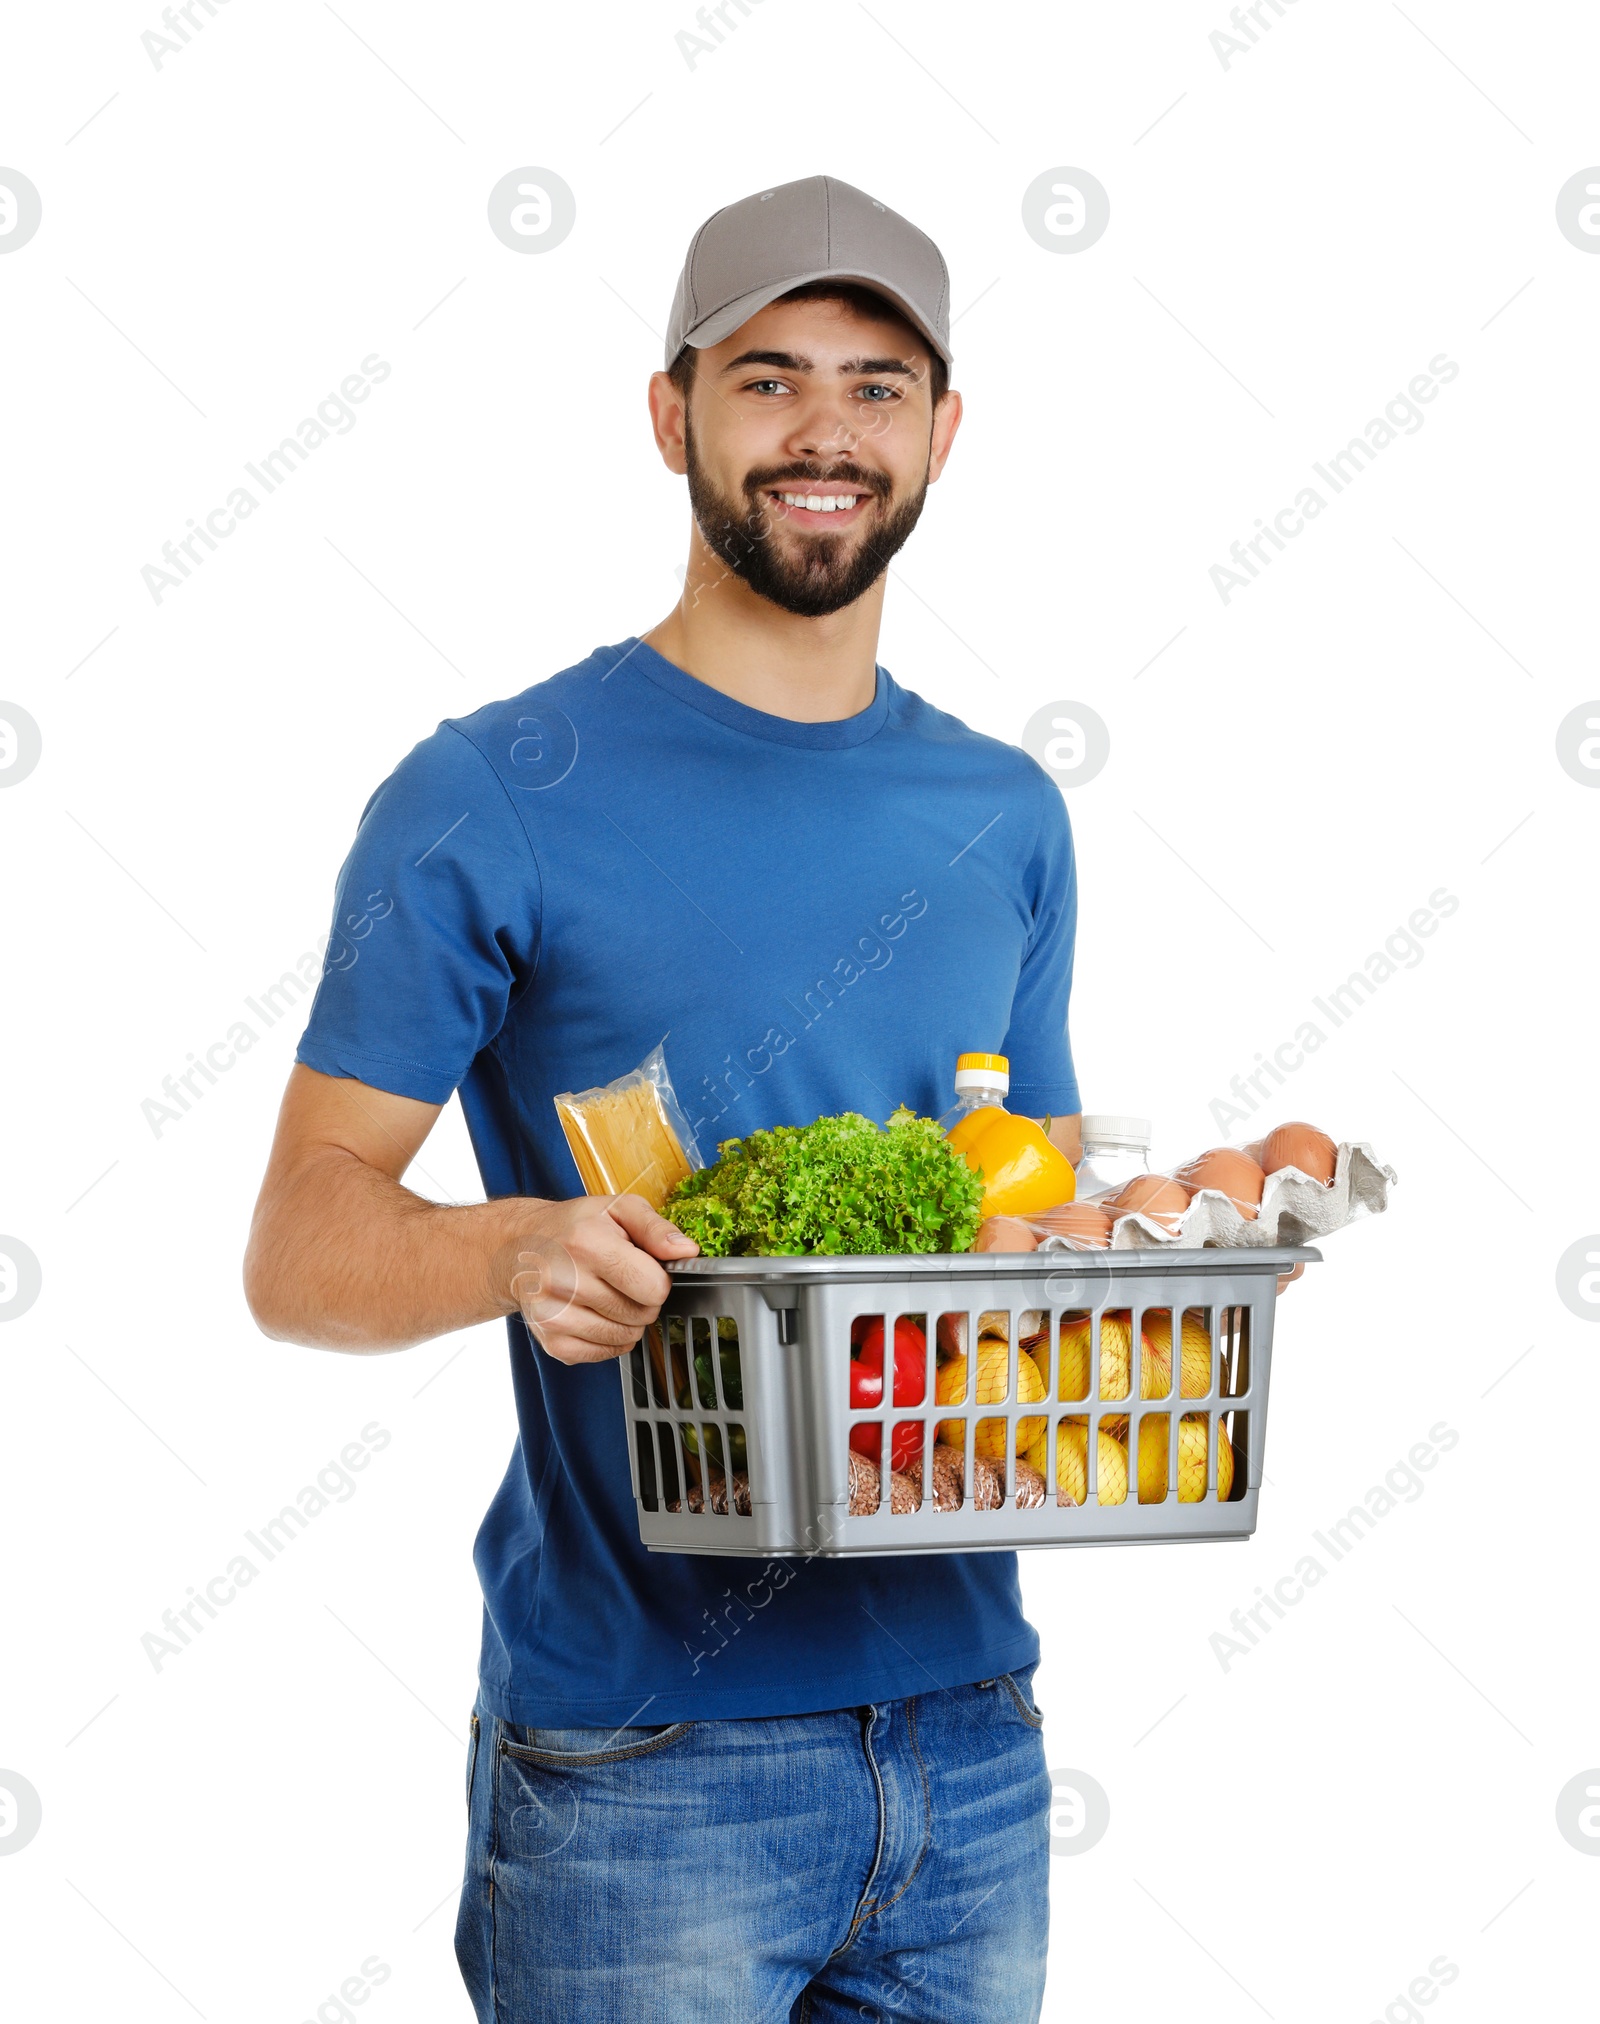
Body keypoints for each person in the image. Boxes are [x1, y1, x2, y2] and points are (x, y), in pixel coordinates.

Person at [245, 174, 1079, 2023]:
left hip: (973, 1741)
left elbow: (1030, 1211)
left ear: (942, 433)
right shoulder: (490, 791)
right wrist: (520, 1247)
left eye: (876, 388)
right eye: (769, 378)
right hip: (645, 1764)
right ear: (670, 411)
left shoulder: (1006, 814)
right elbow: (298, 1244)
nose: (825, 435)